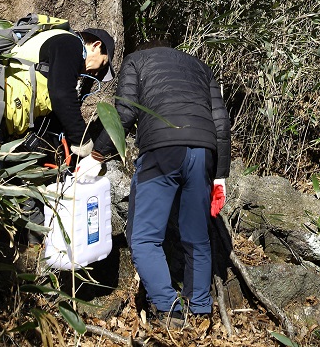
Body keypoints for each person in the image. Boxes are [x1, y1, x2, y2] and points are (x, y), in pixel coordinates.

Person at [80, 40, 231, 327]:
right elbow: (221, 122)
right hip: (203, 151)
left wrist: (98, 154)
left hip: (163, 148)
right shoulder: (201, 67)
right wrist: (220, 175)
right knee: (197, 237)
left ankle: (168, 309)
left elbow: (124, 113)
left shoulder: (136, 60)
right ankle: (199, 310)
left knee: (144, 237)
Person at [0, 25, 116, 245]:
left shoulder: (56, 48)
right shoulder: (70, 43)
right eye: (102, 65)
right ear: (96, 46)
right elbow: (62, 94)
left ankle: (18, 249)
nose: (95, 73)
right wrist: (84, 143)